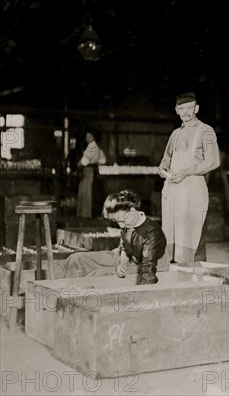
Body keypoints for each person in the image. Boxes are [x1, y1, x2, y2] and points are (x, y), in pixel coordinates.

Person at [56, 190, 168, 284]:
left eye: (120, 220)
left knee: (97, 274)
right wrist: (121, 264)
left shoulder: (151, 233)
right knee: (77, 258)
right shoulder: (129, 222)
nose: (120, 225)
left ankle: (70, 296)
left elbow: (148, 270)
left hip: (151, 263)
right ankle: (55, 290)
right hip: (127, 257)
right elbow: (124, 250)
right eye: (115, 221)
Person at [159, 92, 220, 263]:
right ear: (176, 110)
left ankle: (196, 275)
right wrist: (163, 166)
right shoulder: (175, 134)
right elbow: (167, 157)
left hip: (192, 191)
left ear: (197, 108)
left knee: (193, 232)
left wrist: (186, 171)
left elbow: (213, 161)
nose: (186, 112)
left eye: (189, 108)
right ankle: (175, 269)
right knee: (173, 231)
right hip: (174, 191)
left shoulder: (206, 131)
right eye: (182, 109)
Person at [76, 129, 106, 217]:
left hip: (89, 171)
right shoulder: (92, 146)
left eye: (89, 136)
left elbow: (85, 160)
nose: (87, 138)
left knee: (87, 192)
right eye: (86, 136)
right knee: (86, 192)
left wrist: (80, 163)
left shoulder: (92, 146)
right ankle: (86, 214)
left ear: (93, 138)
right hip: (89, 171)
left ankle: (86, 214)